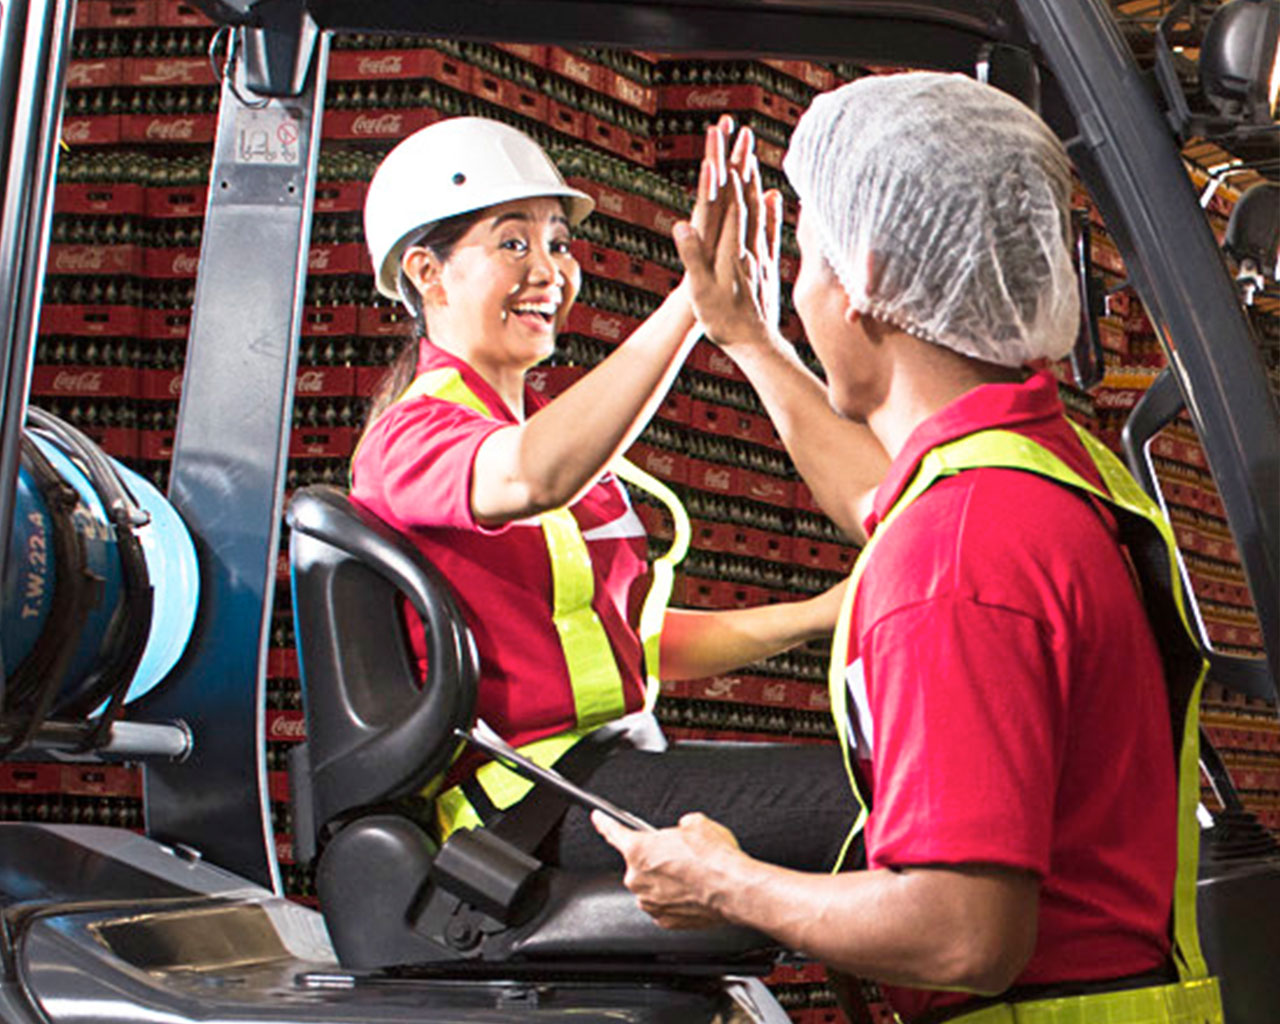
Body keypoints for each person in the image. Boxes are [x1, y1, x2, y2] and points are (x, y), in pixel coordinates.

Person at [595, 73, 1225, 1023]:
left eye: (808, 258)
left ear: (870, 281)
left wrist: (724, 882)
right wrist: (753, 340)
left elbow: (960, 933)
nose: (801, 290)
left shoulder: (957, 554)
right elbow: (882, 502)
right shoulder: (1043, 473)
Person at [350, 115, 858, 873]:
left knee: (889, 783)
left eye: (558, 242)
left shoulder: (549, 431)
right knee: (885, 810)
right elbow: (528, 475)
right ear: (428, 272)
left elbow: (626, 638)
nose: (550, 271)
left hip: (610, 769)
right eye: (513, 242)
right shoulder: (411, 439)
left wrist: (823, 613)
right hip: (525, 810)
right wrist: (695, 305)